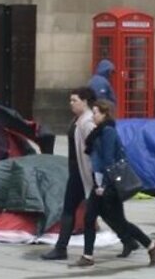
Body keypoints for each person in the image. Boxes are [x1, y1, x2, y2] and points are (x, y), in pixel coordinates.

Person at [41, 87, 132, 261]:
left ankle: (136, 241)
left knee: (102, 213)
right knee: (79, 210)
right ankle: (129, 240)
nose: (71, 103)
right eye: (70, 100)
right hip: (78, 171)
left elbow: (97, 152)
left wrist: (98, 178)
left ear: (85, 102)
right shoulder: (79, 119)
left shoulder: (88, 122)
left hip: (87, 173)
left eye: (74, 100)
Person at [72, 100, 155, 268]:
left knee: (120, 222)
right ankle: (88, 256)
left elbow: (108, 161)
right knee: (90, 218)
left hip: (108, 184)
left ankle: (151, 245)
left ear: (105, 114)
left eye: (96, 112)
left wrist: (103, 186)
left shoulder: (108, 132)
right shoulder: (98, 132)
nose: (93, 116)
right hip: (99, 182)